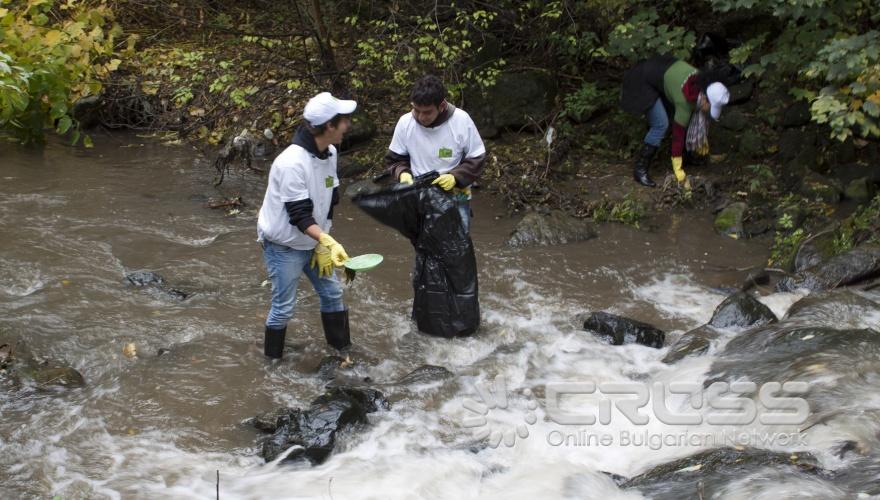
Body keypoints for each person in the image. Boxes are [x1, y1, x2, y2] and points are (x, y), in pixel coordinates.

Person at [257, 91, 355, 360]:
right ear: (328, 126)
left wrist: (323, 242)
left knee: (333, 293)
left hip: (314, 240)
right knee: (283, 308)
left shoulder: (330, 152)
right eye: (343, 120)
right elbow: (299, 215)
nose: (348, 125)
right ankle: (272, 365)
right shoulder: (291, 163)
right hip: (284, 245)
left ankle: (343, 356)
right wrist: (328, 242)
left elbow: (330, 199)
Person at [384, 75, 486, 233]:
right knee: (424, 248)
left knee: (458, 248)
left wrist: (455, 176)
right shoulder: (405, 123)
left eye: (427, 112)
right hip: (419, 197)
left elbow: (477, 157)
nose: (420, 117)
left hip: (456, 198)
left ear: (442, 106)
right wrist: (403, 173)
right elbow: (394, 160)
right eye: (416, 110)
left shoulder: (461, 121)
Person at [621, 54, 730, 187]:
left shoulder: (701, 83)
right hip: (642, 80)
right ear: (704, 99)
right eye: (711, 107)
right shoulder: (684, 102)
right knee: (661, 124)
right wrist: (678, 170)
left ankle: (688, 156)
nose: (709, 111)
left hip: (660, 73)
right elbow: (678, 136)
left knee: (686, 117)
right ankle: (640, 169)